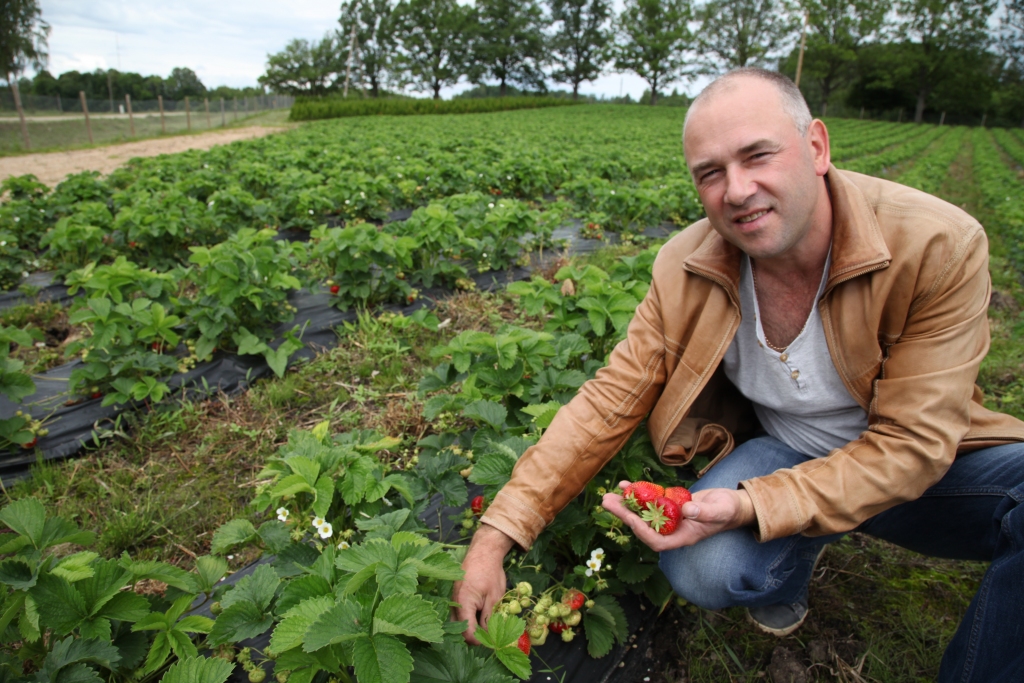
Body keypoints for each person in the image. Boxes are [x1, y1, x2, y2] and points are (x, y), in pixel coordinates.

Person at [453, 68, 1024, 682]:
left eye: (758, 155)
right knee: (702, 567)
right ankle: (789, 563)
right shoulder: (685, 266)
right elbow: (607, 400)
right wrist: (496, 537)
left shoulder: (936, 244)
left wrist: (756, 504)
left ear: (817, 148)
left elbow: (913, 447)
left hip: (922, 461)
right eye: (711, 173)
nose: (738, 189)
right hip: (788, 450)